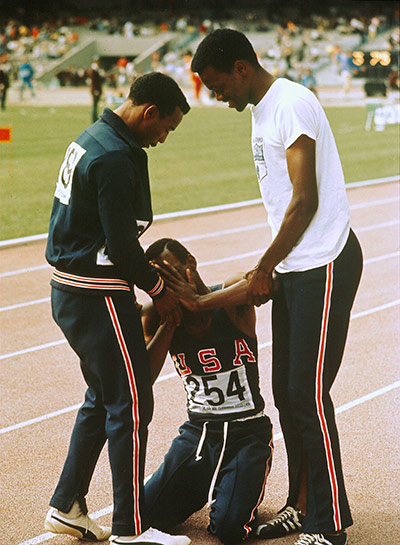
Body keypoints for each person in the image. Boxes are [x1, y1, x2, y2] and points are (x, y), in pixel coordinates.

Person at [191, 29, 363, 545]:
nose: (220, 99)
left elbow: (304, 200)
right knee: (289, 397)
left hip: (324, 261)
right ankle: (302, 504)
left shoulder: (291, 103)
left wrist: (263, 266)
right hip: (294, 266)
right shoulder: (262, 111)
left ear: (241, 68)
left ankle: (329, 526)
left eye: (219, 87)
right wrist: (273, 266)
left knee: (308, 395)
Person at [44, 72, 191, 545]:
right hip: (96, 292)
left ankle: (67, 504)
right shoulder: (112, 157)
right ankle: (132, 531)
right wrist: (159, 290)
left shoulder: (96, 136)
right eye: (166, 128)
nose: (164, 139)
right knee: (131, 403)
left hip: (73, 289)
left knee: (102, 397)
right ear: (149, 113)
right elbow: (122, 245)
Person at [141, 238, 274, 545]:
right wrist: (171, 320)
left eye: (175, 271)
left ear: (191, 261)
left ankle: (237, 485)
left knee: (229, 530)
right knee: (142, 513)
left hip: (247, 432)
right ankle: (197, 485)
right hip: (198, 433)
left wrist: (199, 302)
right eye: (161, 281)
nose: (171, 284)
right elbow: (143, 377)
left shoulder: (228, 298)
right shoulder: (154, 316)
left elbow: (261, 284)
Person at [88, 59, 105, 123]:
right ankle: (94, 118)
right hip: (96, 90)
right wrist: (96, 90)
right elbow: (94, 82)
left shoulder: (95, 70)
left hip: (96, 89)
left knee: (95, 105)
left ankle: (94, 118)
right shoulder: (94, 71)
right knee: (95, 105)